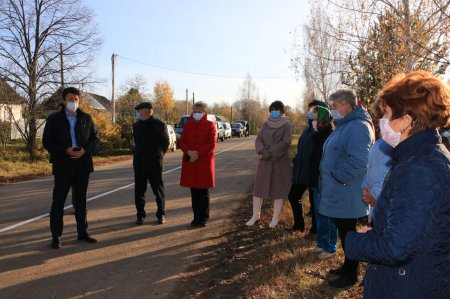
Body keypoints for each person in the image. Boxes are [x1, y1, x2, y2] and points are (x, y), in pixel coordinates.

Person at [345, 71, 450, 298]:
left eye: (387, 115)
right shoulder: (418, 158)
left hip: (409, 286)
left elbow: (397, 248)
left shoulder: (420, 169)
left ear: (406, 120)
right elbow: (411, 226)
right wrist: (376, 232)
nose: (382, 122)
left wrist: (354, 241)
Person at [318, 89, 374, 288]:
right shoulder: (345, 125)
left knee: (349, 234)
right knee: (345, 233)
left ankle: (351, 274)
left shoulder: (358, 126)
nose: (332, 110)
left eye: (335, 106)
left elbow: (360, 161)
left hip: (347, 191)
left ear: (347, 105)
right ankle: (348, 266)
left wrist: (336, 175)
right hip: (340, 191)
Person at [43, 87, 99, 249]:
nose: (73, 102)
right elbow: (47, 142)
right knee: (58, 202)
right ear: (63, 100)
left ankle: (82, 233)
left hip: (82, 165)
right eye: (70, 99)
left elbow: (95, 139)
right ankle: (56, 236)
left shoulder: (86, 118)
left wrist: (85, 150)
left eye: (76, 99)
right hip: (63, 165)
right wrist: (65, 150)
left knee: (81, 202)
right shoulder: (54, 119)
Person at [246, 101, 292, 228]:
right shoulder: (265, 124)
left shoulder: (286, 125)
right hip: (264, 162)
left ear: (282, 112)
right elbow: (259, 139)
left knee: (278, 190)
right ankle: (255, 215)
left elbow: (286, 142)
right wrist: (261, 151)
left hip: (279, 162)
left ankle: (275, 218)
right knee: (258, 189)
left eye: (277, 110)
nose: (274, 112)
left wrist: (270, 152)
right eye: (272, 109)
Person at [288, 100, 329, 233]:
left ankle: (315, 230)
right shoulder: (308, 128)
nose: (310, 113)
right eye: (310, 110)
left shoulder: (324, 129)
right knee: (293, 196)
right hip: (302, 170)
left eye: (314, 111)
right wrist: (296, 159)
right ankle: (299, 225)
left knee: (314, 202)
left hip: (314, 172)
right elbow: (303, 148)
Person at [307, 104, 338, 258]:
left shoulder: (330, 134)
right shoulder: (317, 134)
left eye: (315, 117)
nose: (313, 120)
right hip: (315, 180)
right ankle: (321, 243)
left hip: (326, 181)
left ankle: (330, 247)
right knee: (319, 214)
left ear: (324, 118)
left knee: (328, 216)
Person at [179, 101, 217, 227]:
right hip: (191, 161)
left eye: (199, 112)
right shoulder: (188, 124)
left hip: (204, 161)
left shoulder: (210, 125)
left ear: (205, 112)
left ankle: (204, 217)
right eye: (194, 111)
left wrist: (198, 153)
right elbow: (182, 141)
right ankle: (196, 217)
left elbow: (212, 144)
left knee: (203, 191)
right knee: (194, 191)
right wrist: (189, 152)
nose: (196, 114)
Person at [133, 102, 170, 225]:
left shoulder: (160, 125)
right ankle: (140, 215)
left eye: (140, 110)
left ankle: (161, 214)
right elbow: (136, 143)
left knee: (158, 191)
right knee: (139, 191)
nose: (137, 113)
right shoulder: (136, 126)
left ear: (148, 111)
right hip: (139, 163)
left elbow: (166, 144)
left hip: (154, 163)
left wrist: (158, 155)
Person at [361, 100, 393, 224]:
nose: (382, 121)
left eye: (386, 115)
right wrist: (364, 188)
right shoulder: (380, 143)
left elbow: (387, 174)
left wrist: (375, 196)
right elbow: (370, 168)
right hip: (376, 208)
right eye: (382, 116)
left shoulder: (395, 146)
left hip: (385, 209)